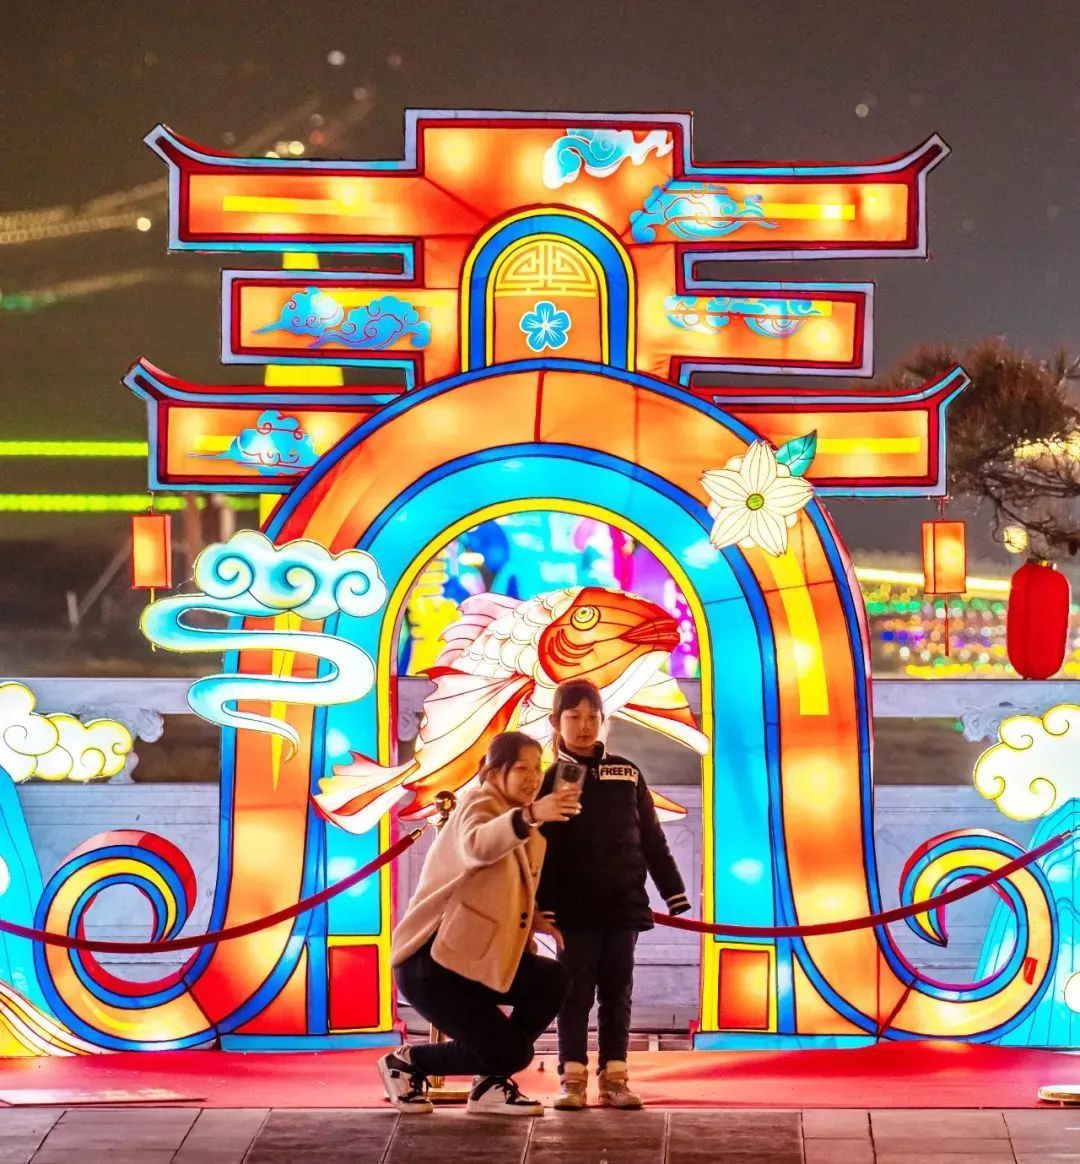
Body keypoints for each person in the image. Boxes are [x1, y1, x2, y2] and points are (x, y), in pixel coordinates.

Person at [377, 730, 580, 1116]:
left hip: (474, 959)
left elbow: (495, 883)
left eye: (537, 768)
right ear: (493, 771)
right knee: (513, 1051)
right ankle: (406, 1062)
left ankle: (489, 1083)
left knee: (553, 980)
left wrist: (532, 918)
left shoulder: (525, 828)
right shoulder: (479, 803)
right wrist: (532, 814)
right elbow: (477, 846)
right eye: (521, 768)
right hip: (432, 962)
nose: (533, 777)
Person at [536, 678, 691, 1111]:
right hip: (571, 911)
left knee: (618, 993)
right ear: (556, 721)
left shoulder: (627, 773)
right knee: (575, 994)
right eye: (574, 717)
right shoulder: (548, 779)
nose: (585, 726)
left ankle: (615, 1077)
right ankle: (571, 1078)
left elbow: (652, 839)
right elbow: (538, 849)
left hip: (623, 906)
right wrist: (539, 906)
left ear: (604, 720)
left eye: (593, 717)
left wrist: (673, 892)